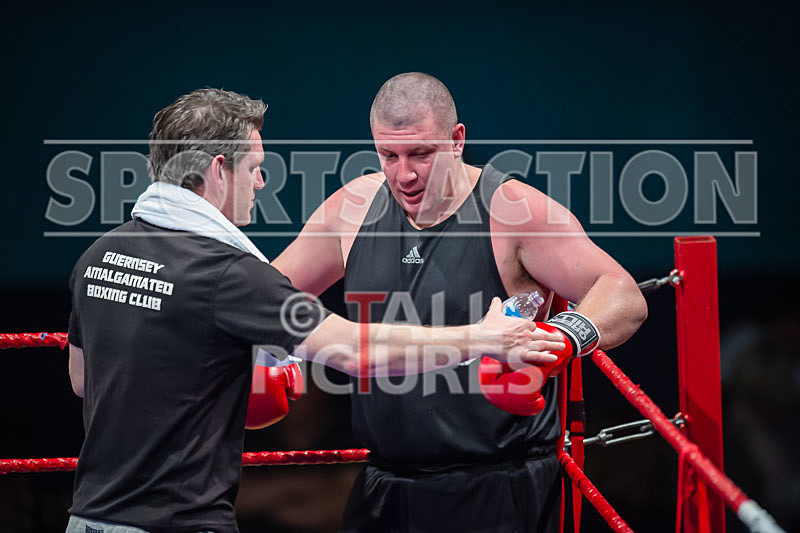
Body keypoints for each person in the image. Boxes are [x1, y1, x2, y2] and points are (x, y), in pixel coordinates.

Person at [65, 88, 564, 533]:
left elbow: (83, 380)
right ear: (218, 170)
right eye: (254, 167)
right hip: (179, 519)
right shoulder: (230, 276)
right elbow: (354, 351)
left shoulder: (99, 256)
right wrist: (484, 338)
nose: (261, 182)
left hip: (88, 515)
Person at [272, 72, 648, 532]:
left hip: (500, 487)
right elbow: (266, 295)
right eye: (389, 155)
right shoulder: (352, 209)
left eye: (421, 154)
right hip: (384, 485)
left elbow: (622, 292)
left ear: (456, 140)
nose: (404, 174)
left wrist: (562, 338)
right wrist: (268, 357)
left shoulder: (513, 211)